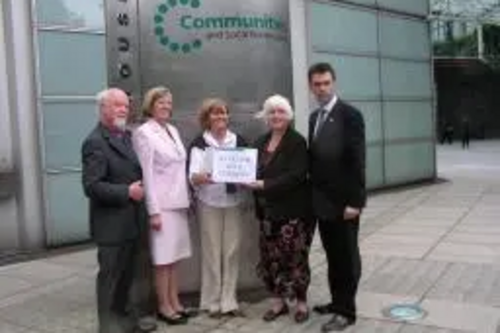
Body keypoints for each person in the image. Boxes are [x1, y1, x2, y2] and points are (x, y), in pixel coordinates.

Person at [81, 88, 157, 333]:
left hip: (131, 223)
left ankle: (127, 323)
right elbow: (92, 186)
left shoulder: (125, 136)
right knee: (110, 281)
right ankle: (108, 328)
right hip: (111, 227)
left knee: (126, 280)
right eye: (117, 105)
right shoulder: (95, 142)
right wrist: (127, 192)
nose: (123, 109)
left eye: (125, 105)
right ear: (103, 108)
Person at [307, 63, 366, 332]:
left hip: (345, 204)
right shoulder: (314, 117)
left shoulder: (350, 115)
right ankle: (336, 301)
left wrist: (356, 202)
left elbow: (357, 161)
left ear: (334, 83)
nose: (322, 88)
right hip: (323, 203)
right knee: (333, 256)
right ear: (311, 86)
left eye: (326, 83)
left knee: (347, 257)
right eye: (317, 84)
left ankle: (346, 311)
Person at [247, 95, 313, 324]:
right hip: (266, 214)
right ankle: (278, 303)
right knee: (270, 259)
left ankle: (302, 303)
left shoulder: (297, 142)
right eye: (272, 112)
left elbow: (296, 175)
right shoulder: (259, 141)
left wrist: (265, 184)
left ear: (289, 115)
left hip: (292, 213)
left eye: (281, 112)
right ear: (266, 116)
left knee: (295, 259)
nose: (276, 116)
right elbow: (249, 168)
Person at [133, 86, 192, 325]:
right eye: (161, 102)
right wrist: (153, 211)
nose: (166, 106)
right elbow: (146, 174)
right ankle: (164, 307)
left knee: (175, 257)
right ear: (151, 105)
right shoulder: (144, 133)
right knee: (163, 260)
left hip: (178, 203)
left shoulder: (172, 130)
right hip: (162, 206)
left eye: (169, 102)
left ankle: (175, 301)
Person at [188, 98, 246, 318]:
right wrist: (205, 177)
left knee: (231, 252)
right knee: (212, 252)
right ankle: (211, 301)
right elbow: (193, 177)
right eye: (215, 114)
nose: (221, 117)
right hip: (209, 203)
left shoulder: (238, 140)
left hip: (233, 202)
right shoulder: (200, 143)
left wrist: (244, 178)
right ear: (207, 118)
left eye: (223, 113)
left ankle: (229, 300)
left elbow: (248, 169)